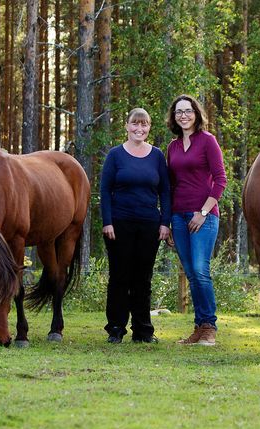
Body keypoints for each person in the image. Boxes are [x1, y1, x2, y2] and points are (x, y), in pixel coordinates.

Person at [100, 108, 172, 344]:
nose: (139, 128)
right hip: (119, 224)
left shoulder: (157, 156)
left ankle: (143, 330)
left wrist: (165, 223)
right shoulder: (115, 155)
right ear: (127, 126)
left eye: (144, 124)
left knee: (143, 278)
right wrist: (107, 222)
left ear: (149, 127)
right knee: (119, 277)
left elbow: (165, 191)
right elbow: (105, 190)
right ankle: (116, 328)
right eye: (135, 123)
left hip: (149, 225)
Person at [165, 94, 226, 347]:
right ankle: (199, 328)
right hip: (178, 217)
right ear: (174, 117)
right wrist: (168, 222)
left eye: (188, 111)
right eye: (179, 112)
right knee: (191, 274)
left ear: (196, 114)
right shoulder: (172, 147)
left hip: (204, 216)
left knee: (201, 271)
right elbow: (170, 186)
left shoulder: (207, 141)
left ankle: (209, 327)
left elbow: (221, 180)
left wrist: (203, 212)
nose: (184, 115)